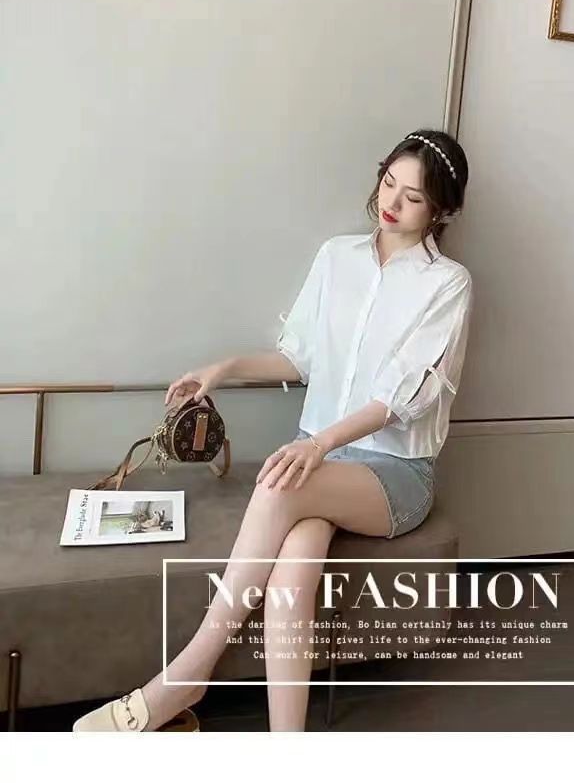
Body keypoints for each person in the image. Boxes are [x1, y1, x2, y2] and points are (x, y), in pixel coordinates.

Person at [73, 128, 474, 732]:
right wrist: (224, 368)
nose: (392, 202)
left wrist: (319, 443)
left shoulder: (447, 283)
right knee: (295, 565)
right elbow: (301, 358)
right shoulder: (336, 257)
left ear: (440, 208)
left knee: (282, 482)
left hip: (393, 474)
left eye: (413, 196)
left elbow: (401, 400)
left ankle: (184, 677)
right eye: (389, 182)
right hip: (321, 465)